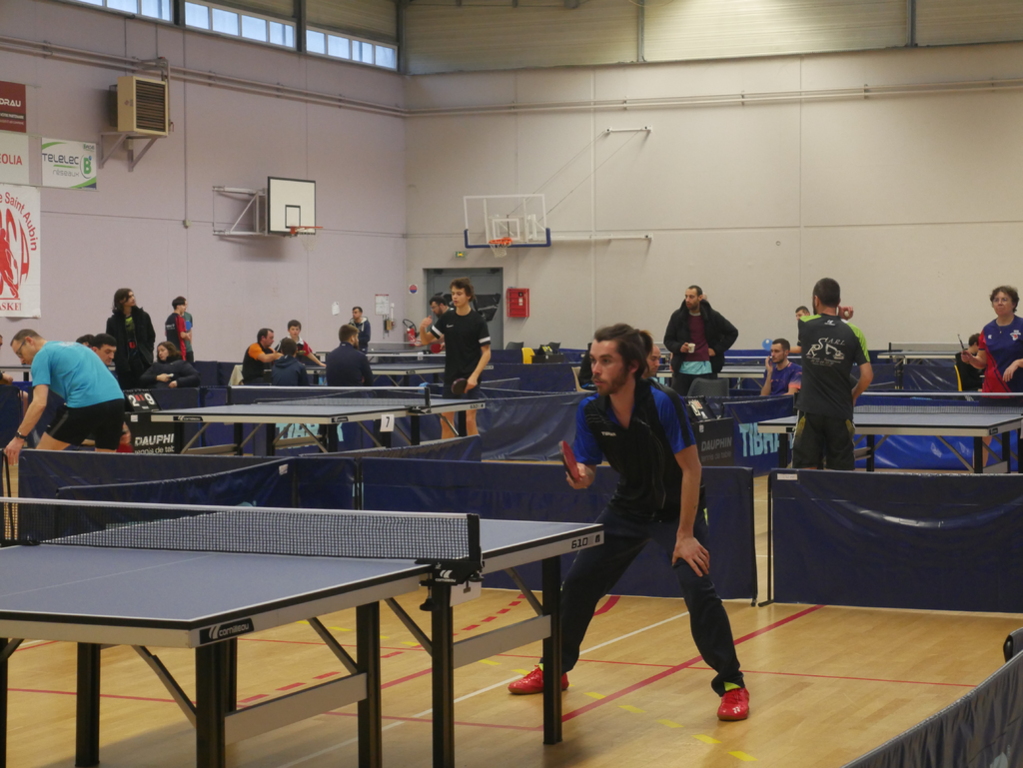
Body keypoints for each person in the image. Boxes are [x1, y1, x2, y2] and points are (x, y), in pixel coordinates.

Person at [507, 324, 749, 722]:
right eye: (593, 360)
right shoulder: (591, 409)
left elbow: (692, 470)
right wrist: (581, 476)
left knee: (698, 590)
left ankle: (732, 684)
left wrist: (685, 535)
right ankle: (554, 667)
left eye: (606, 361)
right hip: (628, 508)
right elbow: (588, 468)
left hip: (675, 512)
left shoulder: (663, 403)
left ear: (632, 366)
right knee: (579, 584)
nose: (595, 369)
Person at [3, 330, 129, 463]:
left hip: (85, 403)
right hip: (117, 404)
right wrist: (122, 425)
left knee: (41, 458)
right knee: (105, 464)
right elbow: (107, 390)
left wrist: (19, 438)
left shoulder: (42, 355)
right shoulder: (78, 347)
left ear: (29, 341)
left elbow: (39, 403)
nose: (22, 360)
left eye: (20, 353)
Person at [793, 278, 873, 470]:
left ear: (816, 300)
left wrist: (837, 316)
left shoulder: (804, 324)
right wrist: (853, 395)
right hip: (840, 411)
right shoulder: (854, 332)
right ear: (839, 301)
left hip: (810, 410)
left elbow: (820, 323)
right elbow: (867, 376)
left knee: (806, 469)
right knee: (840, 474)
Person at [418, 276, 492, 436]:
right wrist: (422, 328)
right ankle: (449, 452)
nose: (455, 297)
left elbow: (486, 352)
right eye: (453, 293)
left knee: (470, 420)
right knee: (445, 420)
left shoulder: (478, 321)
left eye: (459, 293)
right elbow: (425, 341)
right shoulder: (447, 318)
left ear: (468, 296)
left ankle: (473, 451)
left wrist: (474, 377)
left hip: (471, 377)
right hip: (451, 376)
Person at [663, 285, 738, 396]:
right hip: (681, 371)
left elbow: (732, 332)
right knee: (680, 403)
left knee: (704, 403)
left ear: (700, 297)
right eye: (686, 296)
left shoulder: (713, 316)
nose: (687, 300)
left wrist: (716, 350)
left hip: (706, 370)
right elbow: (668, 340)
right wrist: (679, 347)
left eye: (691, 297)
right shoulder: (677, 316)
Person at [960, 287, 1023, 394]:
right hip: (991, 391)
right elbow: (982, 361)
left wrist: (1018, 362)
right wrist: (971, 359)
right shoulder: (987, 329)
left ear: (1014, 304)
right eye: (996, 300)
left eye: (1004, 299)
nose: (999, 303)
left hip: (1017, 391)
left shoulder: (1021, 325)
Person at [106, 287, 156, 390]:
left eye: (133, 295)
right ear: (121, 300)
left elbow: (151, 335)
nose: (133, 298)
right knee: (127, 390)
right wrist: (117, 357)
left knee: (145, 389)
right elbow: (110, 341)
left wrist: (148, 350)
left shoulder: (143, 316)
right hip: (124, 363)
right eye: (129, 297)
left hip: (143, 360)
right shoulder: (113, 321)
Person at [165, 297, 194, 363]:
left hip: (171, 350)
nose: (185, 307)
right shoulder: (179, 319)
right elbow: (182, 335)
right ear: (178, 306)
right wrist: (187, 335)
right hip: (179, 351)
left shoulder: (169, 319)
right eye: (183, 305)